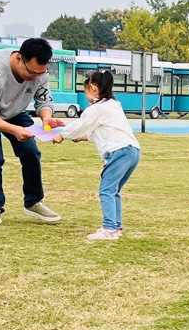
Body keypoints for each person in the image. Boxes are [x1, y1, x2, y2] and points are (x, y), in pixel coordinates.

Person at [0, 37, 65, 228]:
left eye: (40, 73)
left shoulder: (40, 72)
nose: (36, 77)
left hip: (14, 112)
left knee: (31, 152)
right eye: (31, 72)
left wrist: (46, 118)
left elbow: (44, 101)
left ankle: (33, 202)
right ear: (18, 59)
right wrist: (14, 129)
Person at [53, 69, 141, 241]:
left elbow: (81, 124)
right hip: (132, 151)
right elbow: (105, 131)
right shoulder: (113, 105)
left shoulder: (96, 109)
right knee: (114, 190)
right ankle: (116, 226)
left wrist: (62, 135)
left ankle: (109, 229)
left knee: (106, 190)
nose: (85, 95)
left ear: (93, 89)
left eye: (85, 91)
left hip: (118, 152)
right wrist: (83, 137)